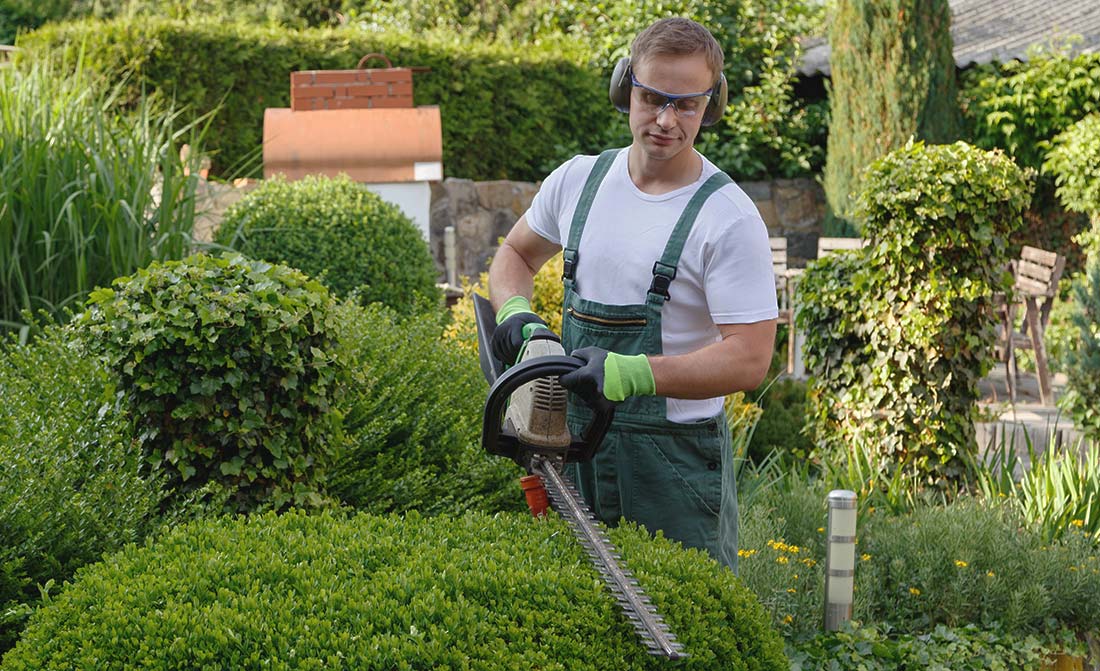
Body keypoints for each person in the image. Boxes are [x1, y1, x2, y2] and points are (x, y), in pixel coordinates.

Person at [487, 16, 777, 571]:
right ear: (627, 90)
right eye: (652, 98)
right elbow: (516, 256)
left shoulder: (727, 217)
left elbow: (750, 358)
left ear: (710, 106)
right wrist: (519, 316)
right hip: (569, 446)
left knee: (687, 633)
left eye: (686, 104)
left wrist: (633, 373)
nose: (666, 120)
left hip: (671, 466)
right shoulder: (578, 181)